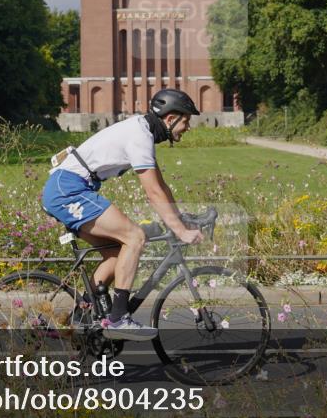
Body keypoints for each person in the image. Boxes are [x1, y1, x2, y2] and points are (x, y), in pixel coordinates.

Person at [42, 89, 205, 340]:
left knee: (117, 254)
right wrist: (181, 232)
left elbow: (162, 187)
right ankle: (118, 319)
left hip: (71, 187)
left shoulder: (142, 132)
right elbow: (152, 192)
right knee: (135, 237)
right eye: (186, 121)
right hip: (68, 189)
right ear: (171, 118)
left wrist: (180, 219)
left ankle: (85, 318)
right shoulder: (139, 135)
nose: (188, 127)